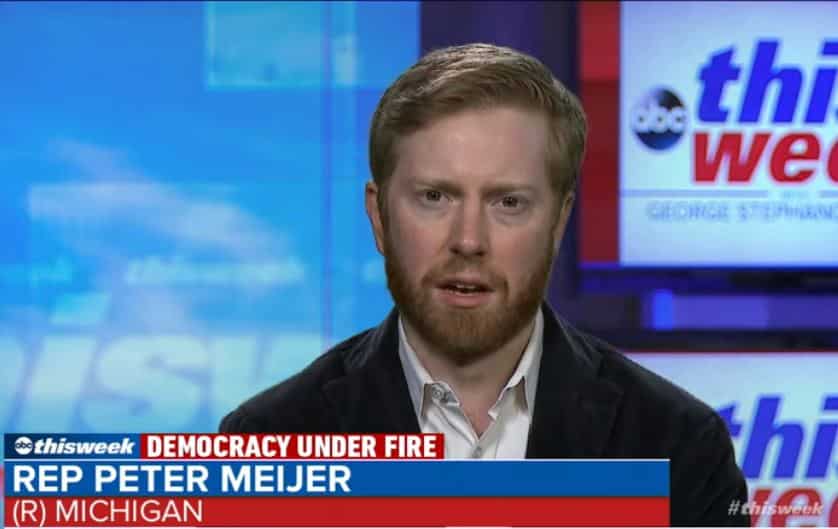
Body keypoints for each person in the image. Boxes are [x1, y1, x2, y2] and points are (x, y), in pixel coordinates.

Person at [220, 43, 749, 526]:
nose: (468, 240)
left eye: (508, 202)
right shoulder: (269, 447)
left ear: (559, 222)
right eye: (434, 197)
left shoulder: (677, 447)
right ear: (379, 218)